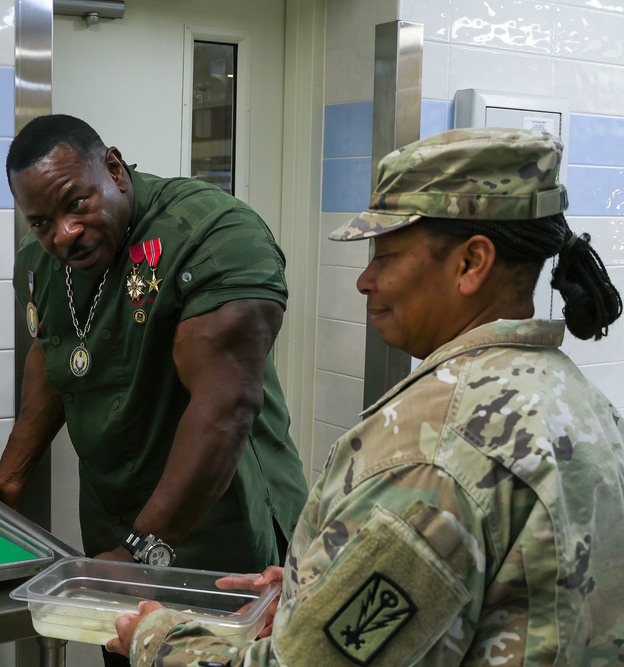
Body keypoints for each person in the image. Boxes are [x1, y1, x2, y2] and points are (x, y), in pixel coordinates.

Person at [110, 128, 624, 665]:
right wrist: (319, 589)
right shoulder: (577, 401)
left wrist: (159, 639)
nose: (364, 280)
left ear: (471, 263)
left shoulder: (433, 452)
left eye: (387, 255)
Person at [0, 113, 308, 662]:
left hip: (224, 535)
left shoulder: (213, 235)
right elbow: (53, 354)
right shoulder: (40, 263)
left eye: (77, 203)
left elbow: (225, 406)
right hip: (117, 529)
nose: (63, 234)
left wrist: (144, 547)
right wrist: (13, 468)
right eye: (40, 222)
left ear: (115, 169)